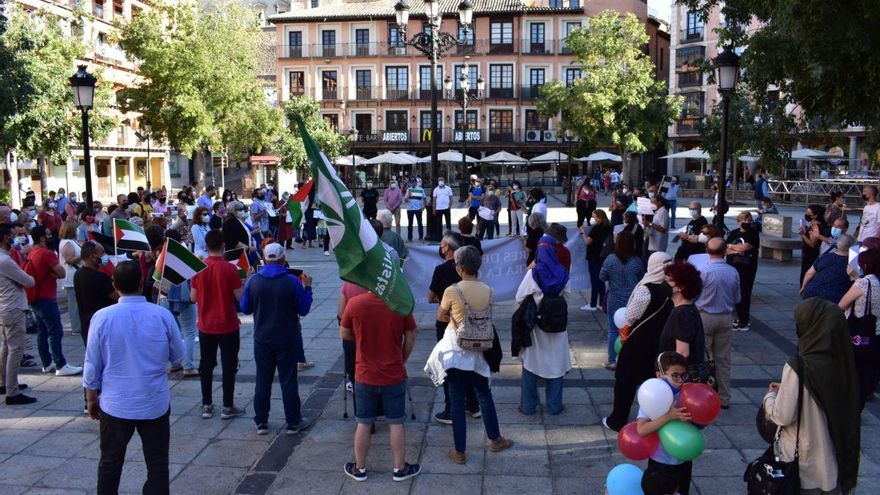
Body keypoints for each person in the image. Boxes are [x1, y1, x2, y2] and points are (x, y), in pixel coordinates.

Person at [83, 261, 184, 495]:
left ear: (114, 284)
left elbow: (92, 363)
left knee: (110, 462)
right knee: (157, 463)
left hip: (116, 403)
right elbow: (178, 356)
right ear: (140, 283)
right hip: (153, 401)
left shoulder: (102, 317)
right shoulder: (161, 315)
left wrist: (91, 398)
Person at [763, 298, 860, 495]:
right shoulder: (843, 364)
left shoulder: (799, 367)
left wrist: (770, 398)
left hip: (802, 465)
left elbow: (782, 415)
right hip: (832, 464)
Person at [426, 245, 512, 464]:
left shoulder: (452, 291)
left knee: (456, 399)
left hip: (455, 350)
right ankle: (495, 438)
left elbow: (441, 317)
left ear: (460, 268)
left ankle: (460, 451)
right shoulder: (488, 290)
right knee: (484, 394)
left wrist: (456, 319)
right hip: (479, 349)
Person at [340, 287, 420, 482]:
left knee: (363, 422)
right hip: (393, 374)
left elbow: (344, 333)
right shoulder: (400, 304)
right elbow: (411, 335)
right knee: (396, 422)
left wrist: (361, 339)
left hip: (365, 374)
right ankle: (399, 468)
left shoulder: (355, 303)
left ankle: (359, 468)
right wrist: (402, 359)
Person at [240, 243, 313, 434]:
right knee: (288, 380)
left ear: (264, 259)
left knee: (263, 380)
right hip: (287, 337)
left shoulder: (254, 281)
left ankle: (261, 421)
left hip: (262, 338)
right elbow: (304, 309)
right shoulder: (292, 281)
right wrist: (307, 288)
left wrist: (247, 284)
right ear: (283, 259)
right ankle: (293, 421)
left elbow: (245, 308)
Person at [603, 252, 673, 432]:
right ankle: (655, 420)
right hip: (661, 341)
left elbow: (630, 315)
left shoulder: (646, 288)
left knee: (625, 381)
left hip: (639, 341)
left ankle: (617, 420)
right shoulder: (672, 287)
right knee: (654, 382)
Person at [190, 230, 245, 420]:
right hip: (227, 323)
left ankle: (207, 405)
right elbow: (240, 298)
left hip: (206, 324)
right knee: (229, 365)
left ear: (206, 246)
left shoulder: (199, 269)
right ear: (223, 246)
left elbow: (193, 297)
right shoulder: (230, 269)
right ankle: (228, 406)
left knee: (206, 365)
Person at [515, 236, 571, 415]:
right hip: (557, 326)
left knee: (531, 363)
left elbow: (519, 297)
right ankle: (554, 406)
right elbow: (567, 296)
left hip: (537, 327)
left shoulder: (534, 273)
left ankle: (528, 406)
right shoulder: (563, 272)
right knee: (556, 365)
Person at [427, 232, 480, 423]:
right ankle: (472, 404)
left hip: (447, 325)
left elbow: (430, 297)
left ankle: (450, 409)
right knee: (468, 363)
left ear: (448, 248)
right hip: (468, 322)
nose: (440, 248)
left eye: (442, 245)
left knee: (448, 366)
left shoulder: (441, 270)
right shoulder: (469, 270)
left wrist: (443, 302)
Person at [25, 226, 82, 376]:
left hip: (36, 297)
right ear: (42, 238)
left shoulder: (33, 252)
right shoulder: (47, 253)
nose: (51, 237)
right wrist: (55, 274)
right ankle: (60, 364)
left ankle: (47, 363)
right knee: (55, 331)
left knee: (42, 332)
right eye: (48, 234)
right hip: (46, 297)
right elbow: (62, 272)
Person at [636, 352, 695, 495]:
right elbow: (641, 430)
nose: (680, 381)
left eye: (684, 375)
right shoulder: (652, 397)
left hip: (684, 456)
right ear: (660, 375)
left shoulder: (685, 394)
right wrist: (668, 416)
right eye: (675, 375)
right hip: (660, 462)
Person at [695, 238, 740, 409]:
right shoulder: (733, 272)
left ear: (707, 251)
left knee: (703, 358)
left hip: (705, 316)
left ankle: (703, 396)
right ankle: (724, 397)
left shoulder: (703, 272)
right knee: (723, 359)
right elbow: (737, 297)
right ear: (725, 251)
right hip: (725, 317)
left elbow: (695, 296)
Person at [838, 248, 880, 407]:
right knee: (867, 373)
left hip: (858, 335)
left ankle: (850, 405)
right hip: (876, 334)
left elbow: (842, 304)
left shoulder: (864, 282)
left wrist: (854, 277)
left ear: (866, 265)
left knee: (853, 372)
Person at [0, 223, 36, 405]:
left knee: (7, 348)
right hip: (13, 307)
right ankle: (12, 392)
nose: (16, 239)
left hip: (5, 307)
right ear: (6, 238)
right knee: (15, 350)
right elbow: (28, 281)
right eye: (13, 235)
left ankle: (5, 383)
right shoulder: (5, 260)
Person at [599, 231, 645, 369]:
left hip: (614, 299)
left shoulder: (610, 259)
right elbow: (642, 279)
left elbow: (602, 277)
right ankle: (629, 361)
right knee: (631, 330)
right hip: (632, 300)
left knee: (613, 330)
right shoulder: (636, 262)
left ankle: (612, 360)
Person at [660, 262, 706, 366]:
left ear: (681, 287)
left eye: (669, 280)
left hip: (677, 373)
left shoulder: (681, 314)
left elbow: (682, 353)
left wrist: (670, 373)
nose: (665, 283)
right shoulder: (689, 307)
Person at [726, 212, 759, 331]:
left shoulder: (753, 233)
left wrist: (731, 247)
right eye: (744, 220)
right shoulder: (734, 233)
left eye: (749, 220)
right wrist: (735, 249)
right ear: (739, 221)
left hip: (747, 268)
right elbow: (725, 248)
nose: (747, 222)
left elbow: (745, 247)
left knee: (744, 293)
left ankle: (744, 320)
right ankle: (738, 318)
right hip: (732, 266)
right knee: (734, 292)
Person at [802, 234, 854, 302]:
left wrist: (803, 287)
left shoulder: (826, 256)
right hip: (835, 297)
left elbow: (809, 274)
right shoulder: (853, 263)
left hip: (812, 292)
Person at [581, 209, 612, 311]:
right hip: (603, 255)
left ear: (599, 217)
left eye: (594, 216)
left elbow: (587, 242)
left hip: (593, 256)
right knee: (601, 280)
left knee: (594, 281)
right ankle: (602, 303)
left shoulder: (596, 229)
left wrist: (582, 232)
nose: (592, 218)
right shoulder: (608, 227)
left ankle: (593, 304)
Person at [58, 220, 82, 337]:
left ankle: (79, 325)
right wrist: (84, 254)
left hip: (76, 276)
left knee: (77, 303)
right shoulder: (67, 243)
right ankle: (76, 327)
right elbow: (70, 260)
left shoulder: (72, 241)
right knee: (74, 304)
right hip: (72, 277)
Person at [800, 205, 830, 285]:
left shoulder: (815, 226)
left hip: (811, 254)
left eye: (809, 213)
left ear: (815, 215)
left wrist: (802, 235)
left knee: (807, 273)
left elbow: (812, 244)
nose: (806, 215)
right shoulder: (817, 223)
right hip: (811, 253)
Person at [642, 193, 669, 258]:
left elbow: (663, 229)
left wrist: (650, 224)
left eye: (653, 202)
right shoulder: (656, 212)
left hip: (658, 245)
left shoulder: (663, 212)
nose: (651, 204)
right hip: (653, 244)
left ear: (659, 203)